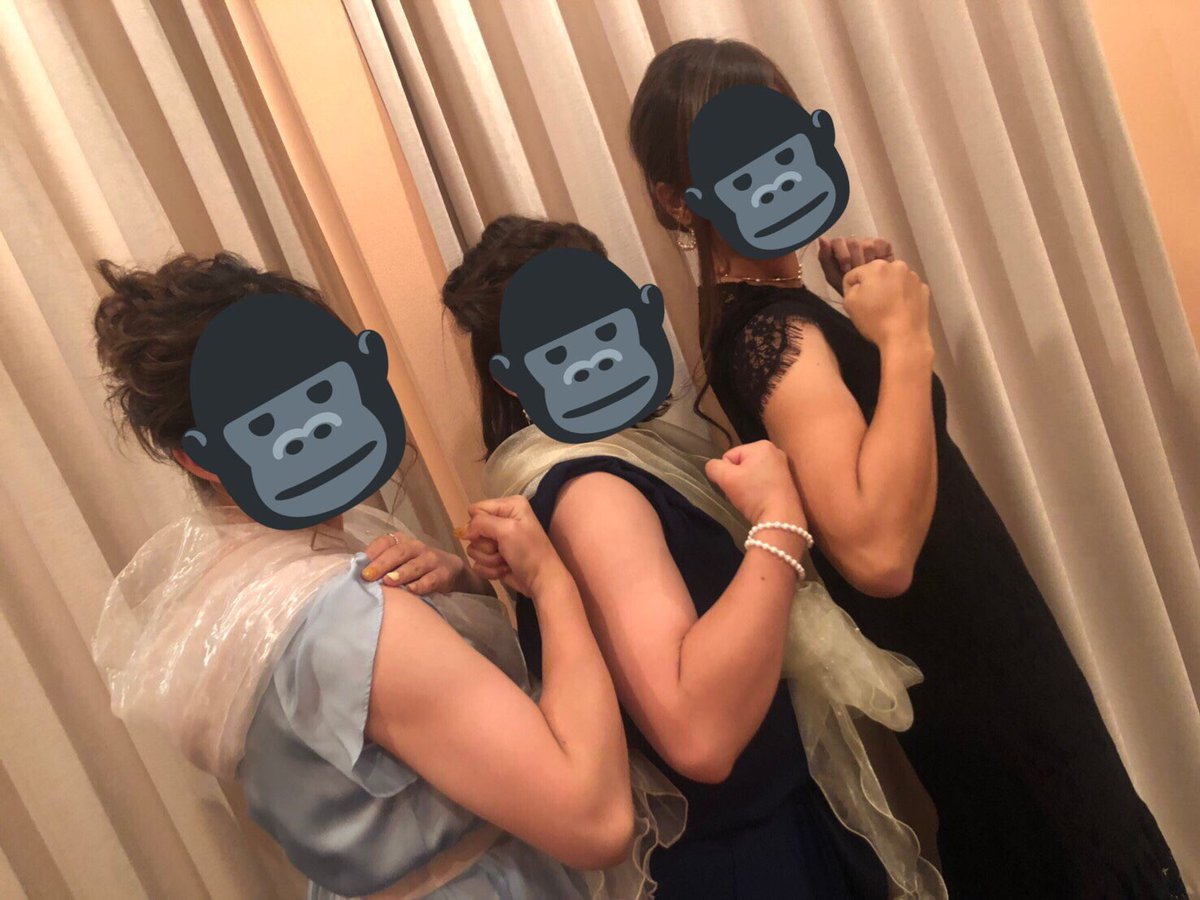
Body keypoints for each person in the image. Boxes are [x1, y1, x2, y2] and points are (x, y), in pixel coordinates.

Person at [628, 37, 1186, 899]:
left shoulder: (782, 317)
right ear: (679, 198)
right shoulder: (774, 334)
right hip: (983, 687)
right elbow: (878, 553)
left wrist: (866, 326)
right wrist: (903, 338)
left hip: (986, 670)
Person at [89, 252, 683, 899]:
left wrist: (461, 588)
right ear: (202, 459)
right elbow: (594, 822)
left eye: (324, 389)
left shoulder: (239, 594)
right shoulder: (343, 615)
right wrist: (553, 584)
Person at [442, 215, 945, 899]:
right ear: (513, 377)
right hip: (746, 866)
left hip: (763, 838)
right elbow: (697, 733)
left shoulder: (610, 464)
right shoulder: (595, 494)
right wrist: (780, 521)